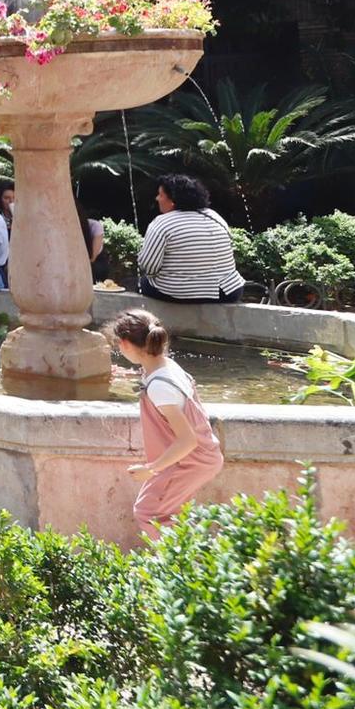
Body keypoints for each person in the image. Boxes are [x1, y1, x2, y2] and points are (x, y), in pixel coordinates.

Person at [109, 308, 224, 536]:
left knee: (149, 513)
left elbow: (187, 441)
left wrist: (150, 469)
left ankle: (179, 568)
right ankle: (189, 563)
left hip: (188, 461)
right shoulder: (166, 368)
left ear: (124, 345)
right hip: (199, 458)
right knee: (169, 516)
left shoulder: (160, 387)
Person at [137, 174, 245, 302]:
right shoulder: (214, 216)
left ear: (172, 201)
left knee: (142, 283)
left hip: (184, 293)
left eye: (160, 195)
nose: (157, 198)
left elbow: (149, 266)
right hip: (229, 291)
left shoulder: (161, 223)